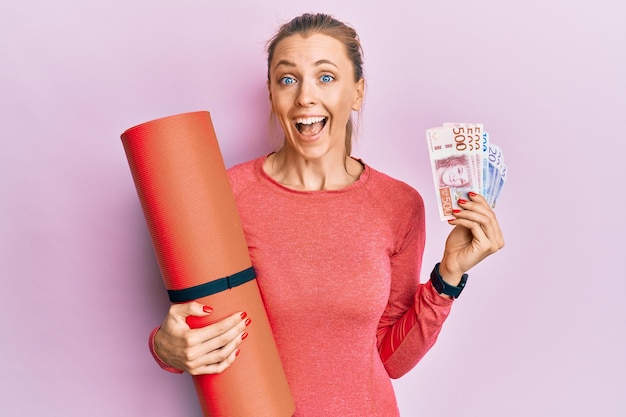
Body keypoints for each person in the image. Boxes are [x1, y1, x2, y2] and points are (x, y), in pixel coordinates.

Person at [149, 12, 504, 416]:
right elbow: (195, 318)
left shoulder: (399, 205)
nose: (304, 97)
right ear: (271, 93)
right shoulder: (223, 195)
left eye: (326, 77)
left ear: (357, 92)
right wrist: (164, 347)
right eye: (287, 79)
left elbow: (392, 359)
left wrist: (448, 278)